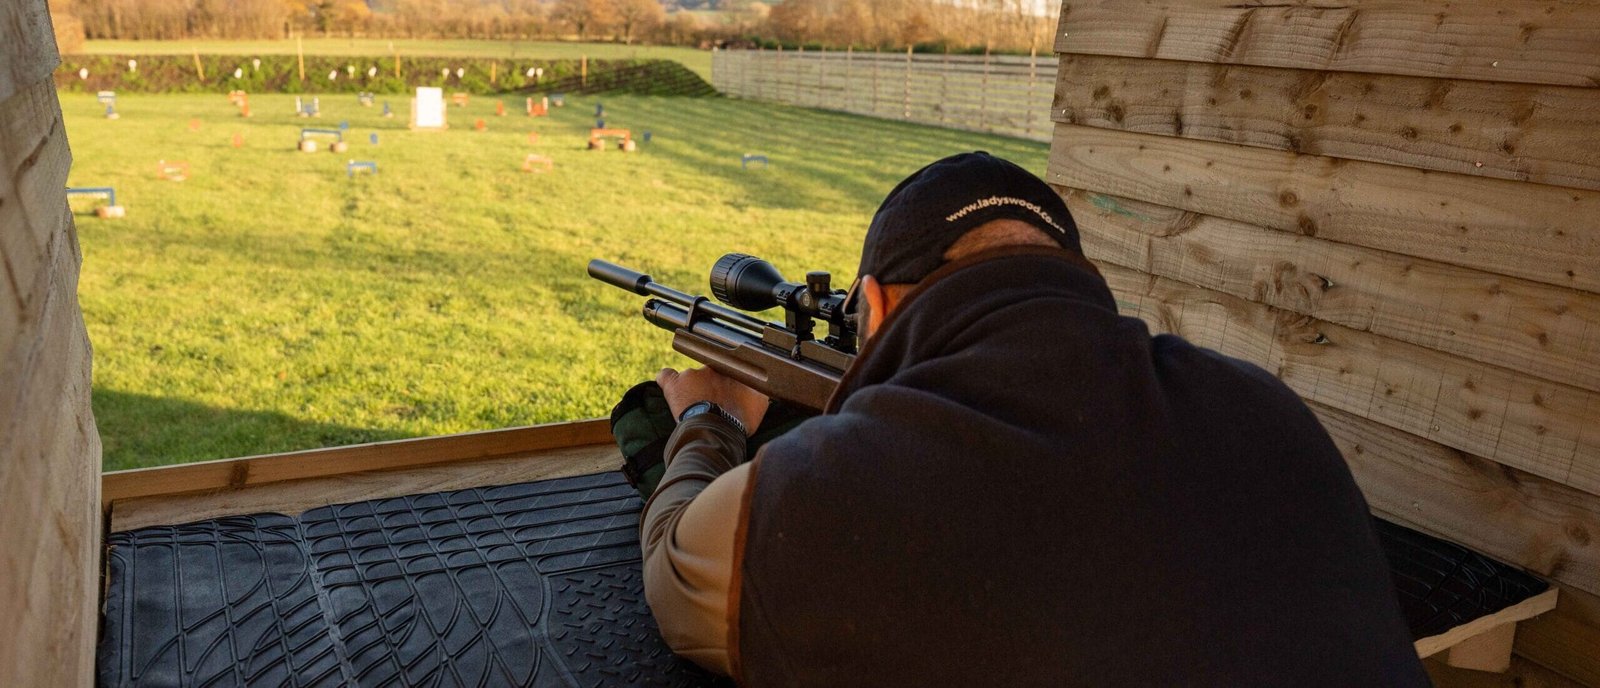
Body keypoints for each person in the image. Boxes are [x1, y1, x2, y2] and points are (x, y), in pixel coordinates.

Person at [637, 152, 1430, 686]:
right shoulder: (1268, 410)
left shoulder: (832, 493)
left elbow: (678, 575)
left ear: (870, 306)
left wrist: (709, 416)